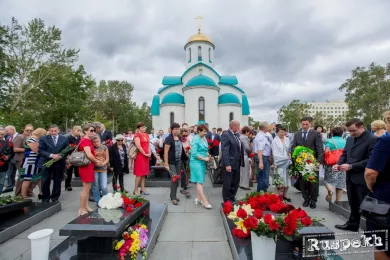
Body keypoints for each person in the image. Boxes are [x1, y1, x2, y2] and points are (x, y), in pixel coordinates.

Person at [334, 118, 377, 232]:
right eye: (349, 131)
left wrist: (352, 166)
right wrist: (338, 164)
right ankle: (353, 224)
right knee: (353, 203)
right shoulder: (349, 139)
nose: (351, 133)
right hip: (350, 177)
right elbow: (345, 154)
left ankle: (370, 232)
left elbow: (371, 160)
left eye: (353, 130)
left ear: (361, 127)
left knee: (367, 207)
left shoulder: (372, 139)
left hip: (364, 178)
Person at [365, 115, 390, 259]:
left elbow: (370, 173)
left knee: (382, 243)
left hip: (385, 197)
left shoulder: (386, 140)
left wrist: (372, 188)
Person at [291, 117, 324, 209]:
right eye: (303, 124)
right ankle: (306, 199)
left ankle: (313, 200)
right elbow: (294, 147)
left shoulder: (316, 134)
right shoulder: (297, 134)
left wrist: (318, 162)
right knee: (303, 182)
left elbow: (320, 149)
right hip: (301, 163)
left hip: (313, 162)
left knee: (314, 183)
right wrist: (295, 157)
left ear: (310, 124)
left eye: (306, 124)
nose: (305, 126)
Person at [38, 124, 69, 202]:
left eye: (55, 131)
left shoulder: (64, 139)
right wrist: (51, 155)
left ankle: (55, 198)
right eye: (51, 131)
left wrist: (61, 156)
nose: (53, 132)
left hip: (59, 163)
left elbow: (67, 149)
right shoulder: (43, 138)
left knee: (57, 180)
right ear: (49, 131)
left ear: (58, 131)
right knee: (45, 181)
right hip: (46, 162)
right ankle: (45, 198)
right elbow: (40, 151)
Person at [78, 123, 102, 216]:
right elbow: (89, 154)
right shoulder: (85, 141)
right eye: (91, 130)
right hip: (86, 167)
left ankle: (86, 206)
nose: (93, 132)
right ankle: (81, 209)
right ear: (85, 131)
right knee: (85, 189)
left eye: (94, 131)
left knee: (87, 189)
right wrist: (96, 161)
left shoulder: (87, 140)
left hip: (88, 166)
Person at [164, 123, 188, 205]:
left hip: (179, 161)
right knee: (174, 179)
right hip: (171, 162)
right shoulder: (168, 139)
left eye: (178, 129)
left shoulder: (180, 138)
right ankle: (173, 197)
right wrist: (166, 164)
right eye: (175, 129)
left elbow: (181, 149)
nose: (177, 130)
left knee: (177, 179)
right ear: (171, 129)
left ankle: (172, 195)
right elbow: (166, 152)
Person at [221, 120, 244, 202]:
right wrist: (227, 164)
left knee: (235, 182)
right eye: (238, 126)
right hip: (230, 163)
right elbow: (225, 150)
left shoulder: (236, 135)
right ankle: (226, 200)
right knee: (228, 183)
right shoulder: (226, 135)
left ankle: (232, 197)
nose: (239, 127)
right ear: (233, 126)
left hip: (237, 163)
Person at [20, 128, 47, 199]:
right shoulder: (31, 140)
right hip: (30, 162)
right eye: (44, 135)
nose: (44, 136)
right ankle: (24, 196)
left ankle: (41, 193)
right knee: (27, 179)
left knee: (39, 178)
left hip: (37, 162)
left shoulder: (37, 140)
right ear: (40, 134)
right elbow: (38, 151)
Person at [190, 124, 212, 208]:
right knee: (199, 182)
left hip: (202, 161)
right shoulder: (195, 139)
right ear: (199, 131)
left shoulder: (203, 138)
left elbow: (205, 149)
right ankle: (204, 201)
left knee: (201, 181)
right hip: (196, 162)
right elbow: (194, 153)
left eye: (206, 131)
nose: (205, 133)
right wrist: (204, 158)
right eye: (204, 131)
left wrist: (208, 155)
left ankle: (198, 199)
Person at [323, 127, 347, 202]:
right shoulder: (345, 141)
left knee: (327, 179)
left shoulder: (330, 141)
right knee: (341, 181)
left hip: (331, 163)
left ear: (332, 133)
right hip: (342, 163)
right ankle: (337, 200)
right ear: (342, 133)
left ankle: (330, 190)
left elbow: (326, 152)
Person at [271, 126, 292, 201]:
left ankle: (285, 195)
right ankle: (279, 195)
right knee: (279, 178)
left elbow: (289, 150)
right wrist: (275, 162)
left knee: (287, 178)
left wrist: (289, 155)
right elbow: (274, 152)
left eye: (284, 132)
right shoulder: (274, 141)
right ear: (277, 132)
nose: (283, 133)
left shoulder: (287, 139)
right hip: (279, 162)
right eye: (281, 132)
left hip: (287, 161)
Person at [14, 124, 34, 197]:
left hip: (30, 159)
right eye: (27, 130)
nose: (29, 131)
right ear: (23, 129)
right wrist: (28, 149)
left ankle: (28, 191)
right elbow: (15, 149)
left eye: (31, 130)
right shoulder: (20, 137)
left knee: (31, 176)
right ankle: (18, 193)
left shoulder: (32, 137)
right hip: (21, 159)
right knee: (22, 176)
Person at [253, 122, 272, 192]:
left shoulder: (258, 135)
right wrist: (261, 162)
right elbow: (260, 150)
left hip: (261, 157)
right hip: (263, 158)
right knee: (264, 178)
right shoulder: (262, 137)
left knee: (261, 177)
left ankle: (260, 195)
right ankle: (262, 195)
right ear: (265, 128)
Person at [133, 122, 150, 195]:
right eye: (143, 127)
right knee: (139, 173)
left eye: (144, 127)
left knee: (144, 173)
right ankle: (135, 189)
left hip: (146, 155)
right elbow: (138, 146)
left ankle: (143, 188)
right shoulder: (137, 135)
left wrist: (149, 152)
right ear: (139, 128)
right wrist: (145, 153)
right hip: (140, 156)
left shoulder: (146, 134)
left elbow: (148, 144)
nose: (144, 128)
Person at [91, 135, 109, 204]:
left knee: (104, 186)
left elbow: (107, 158)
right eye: (94, 142)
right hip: (94, 169)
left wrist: (103, 163)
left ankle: (106, 200)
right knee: (95, 185)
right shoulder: (91, 148)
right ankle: (98, 201)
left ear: (100, 141)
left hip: (103, 168)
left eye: (98, 141)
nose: (96, 143)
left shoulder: (104, 147)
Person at [65, 126, 81, 191]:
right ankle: (68, 184)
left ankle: (77, 178)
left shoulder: (79, 137)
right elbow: (67, 147)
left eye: (80, 131)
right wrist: (67, 156)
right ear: (73, 131)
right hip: (70, 155)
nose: (79, 132)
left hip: (77, 155)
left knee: (77, 168)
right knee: (69, 171)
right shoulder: (68, 138)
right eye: (78, 131)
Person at [0, 129, 15, 195]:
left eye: (2, 134)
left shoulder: (7, 143)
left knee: (1, 182)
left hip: (3, 166)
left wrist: (8, 157)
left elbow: (11, 152)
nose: (0, 136)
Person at [179, 128, 191, 195]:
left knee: (187, 170)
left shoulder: (188, 140)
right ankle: (183, 186)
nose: (185, 137)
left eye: (186, 135)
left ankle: (186, 183)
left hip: (187, 157)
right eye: (184, 135)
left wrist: (188, 150)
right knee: (183, 171)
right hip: (181, 158)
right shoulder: (179, 140)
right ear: (180, 134)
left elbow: (189, 147)